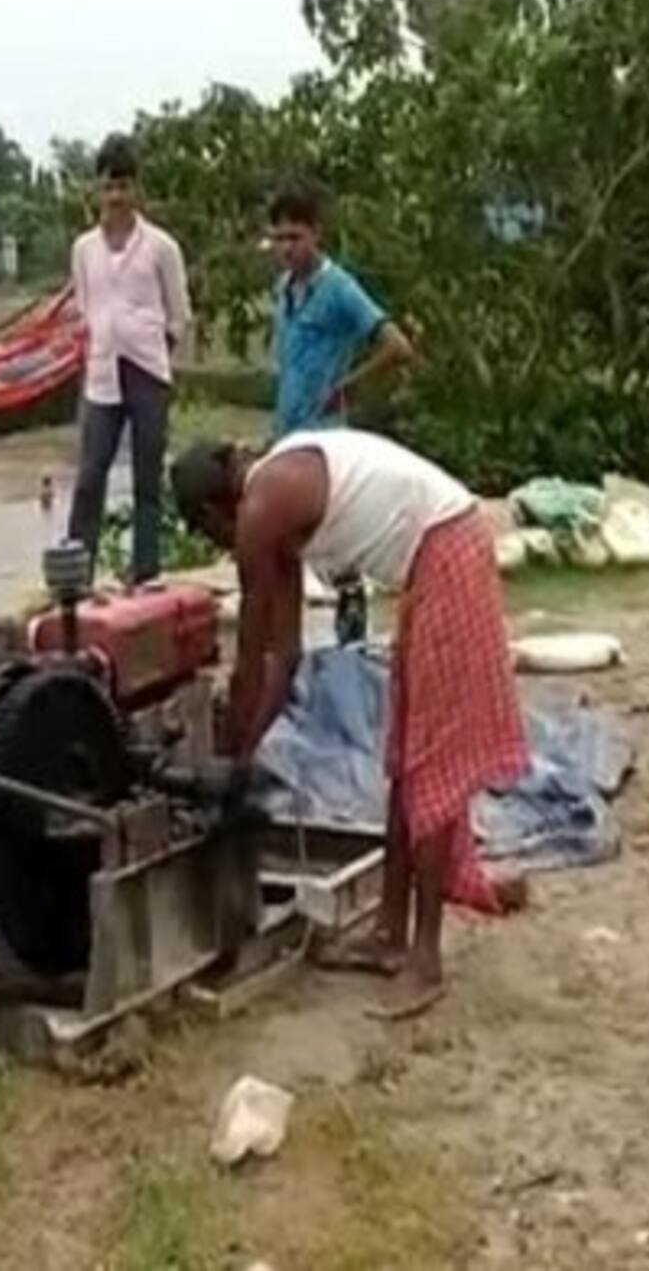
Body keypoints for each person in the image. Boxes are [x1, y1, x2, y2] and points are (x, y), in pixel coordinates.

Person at [173, 429, 529, 1020]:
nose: (219, 542)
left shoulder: (261, 512)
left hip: (449, 550)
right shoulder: (275, 502)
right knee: (402, 758)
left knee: (430, 762)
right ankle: (389, 931)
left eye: (208, 532)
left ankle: (425, 960)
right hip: (435, 556)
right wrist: (243, 754)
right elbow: (284, 659)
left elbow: (249, 658)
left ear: (214, 509)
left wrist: (230, 756)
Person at [264, 178, 415, 643]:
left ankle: (353, 645)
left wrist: (346, 386)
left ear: (317, 235)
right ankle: (292, 645)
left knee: (340, 545)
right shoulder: (284, 289)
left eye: (296, 237)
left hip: (327, 440)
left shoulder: (339, 289)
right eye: (280, 238)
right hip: (288, 433)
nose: (287, 248)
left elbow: (397, 347)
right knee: (287, 546)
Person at [66, 134, 193, 585]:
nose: (116, 196)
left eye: (124, 186)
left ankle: (146, 571)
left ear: (137, 189)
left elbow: (178, 315)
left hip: (147, 370)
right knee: (90, 475)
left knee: (146, 479)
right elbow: (86, 307)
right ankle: (76, 572)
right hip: (102, 372)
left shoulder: (161, 247)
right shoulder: (84, 250)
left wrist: (155, 353)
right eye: (108, 187)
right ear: (97, 190)